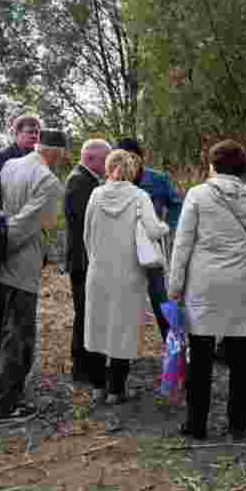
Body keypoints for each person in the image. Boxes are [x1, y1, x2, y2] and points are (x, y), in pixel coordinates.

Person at [168, 140, 246, 441]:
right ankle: (237, 425)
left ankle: (196, 424)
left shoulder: (198, 195)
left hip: (203, 284)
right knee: (241, 359)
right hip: (240, 283)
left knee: (200, 356)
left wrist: (175, 286)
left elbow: (182, 244)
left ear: (213, 166)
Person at [0, 129, 66, 427]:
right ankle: (2, 409)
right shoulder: (48, 181)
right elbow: (25, 226)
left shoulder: (6, 166)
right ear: (56, 153)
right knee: (17, 339)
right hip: (19, 271)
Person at [83, 149, 169, 403]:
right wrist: (165, 226)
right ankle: (116, 390)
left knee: (97, 327)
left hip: (99, 270)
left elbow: (87, 234)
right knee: (123, 329)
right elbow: (153, 230)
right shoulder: (140, 196)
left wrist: (95, 258)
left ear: (108, 167)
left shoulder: (96, 195)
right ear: (133, 171)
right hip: (129, 273)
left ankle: (97, 386)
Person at [116, 138, 184, 342]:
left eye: (132, 157)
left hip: (152, 246)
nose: (128, 162)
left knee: (161, 296)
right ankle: (123, 349)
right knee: (124, 299)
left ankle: (174, 345)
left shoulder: (158, 179)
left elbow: (176, 203)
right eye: (123, 157)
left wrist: (167, 226)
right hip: (124, 248)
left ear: (141, 158)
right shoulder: (112, 182)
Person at [64, 138, 111, 383]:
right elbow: (89, 224)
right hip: (83, 262)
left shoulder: (86, 180)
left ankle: (86, 365)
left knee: (86, 312)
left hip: (84, 259)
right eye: (106, 159)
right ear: (91, 159)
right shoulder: (80, 182)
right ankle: (83, 367)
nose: (109, 165)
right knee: (85, 313)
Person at [0, 114, 42, 189]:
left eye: (37, 132)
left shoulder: (41, 161)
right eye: (30, 132)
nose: (34, 136)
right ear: (17, 134)